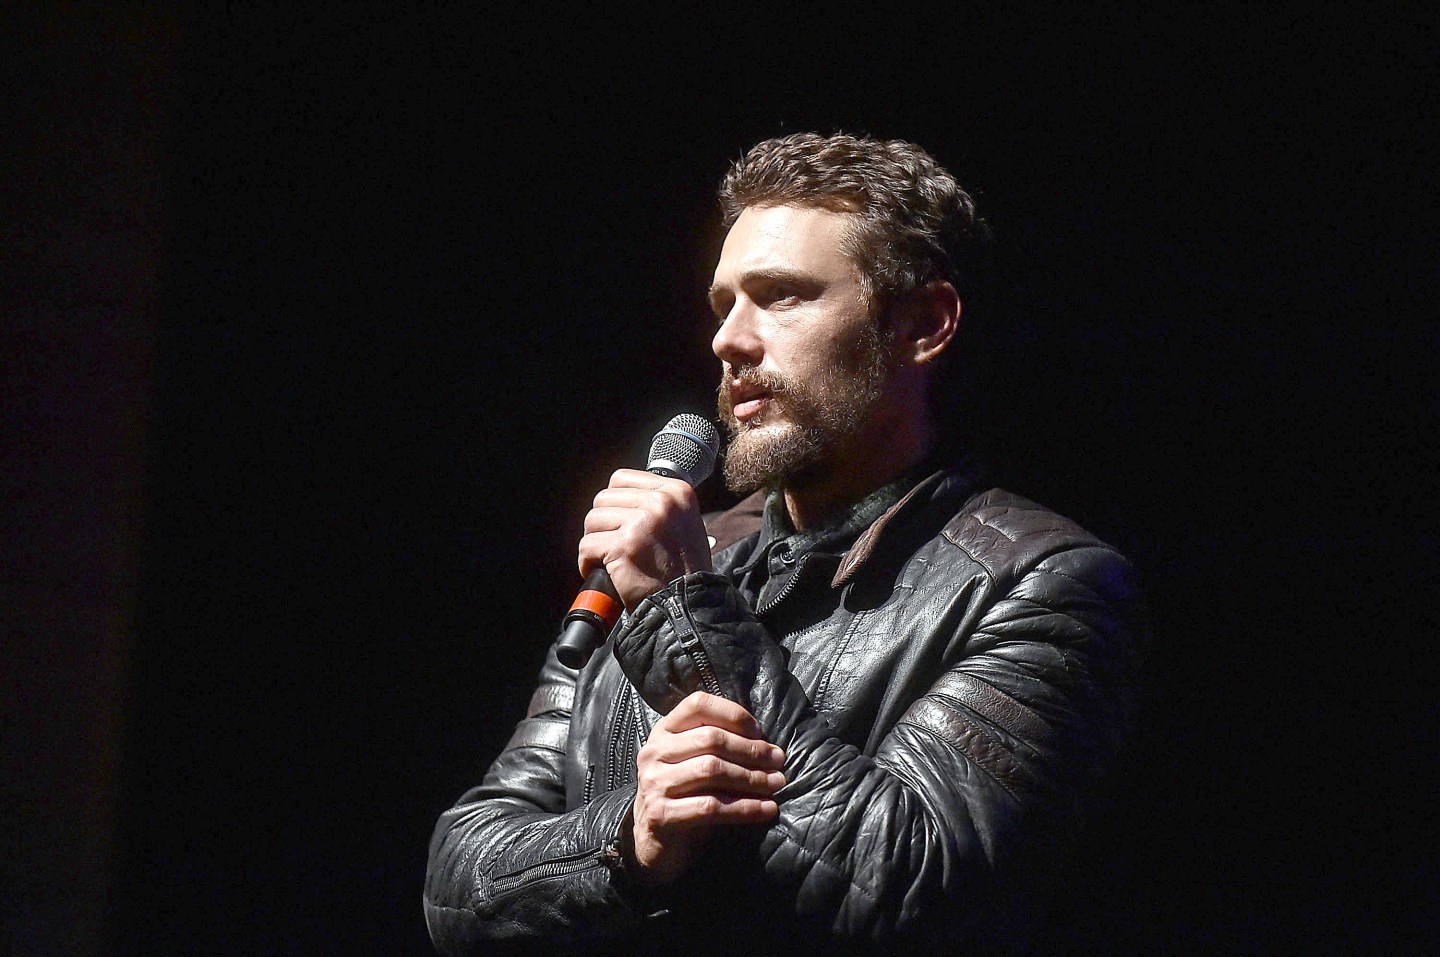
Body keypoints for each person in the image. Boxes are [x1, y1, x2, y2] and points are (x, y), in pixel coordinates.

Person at [424, 132, 1149, 956]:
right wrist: (627, 840)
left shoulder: (1045, 582)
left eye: (782, 297)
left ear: (925, 323)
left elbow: (906, 889)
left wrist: (680, 611)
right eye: (724, 303)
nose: (729, 341)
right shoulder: (683, 554)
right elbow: (459, 881)